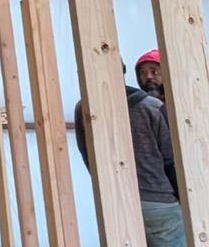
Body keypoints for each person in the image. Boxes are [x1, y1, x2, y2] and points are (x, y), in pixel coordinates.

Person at [74, 55, 180, 247]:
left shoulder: (83, 108)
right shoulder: (151, 106)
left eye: (154, 72)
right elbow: (171, 159)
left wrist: (108, 188)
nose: (148, 77)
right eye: (143, 72)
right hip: (159, 202)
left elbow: (88, 157)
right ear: (123, 72)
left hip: (116, 202)